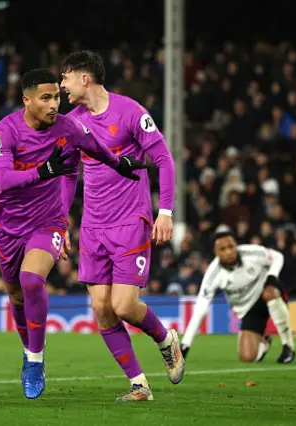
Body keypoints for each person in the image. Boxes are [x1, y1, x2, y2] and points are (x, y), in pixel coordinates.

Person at [0, 68, 146, 399]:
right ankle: (31, 350)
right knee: (17, 296)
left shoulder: (67, 127)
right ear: (26, 100)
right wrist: (43, 171)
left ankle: (35, 360)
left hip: (48, 222)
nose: (53, 104)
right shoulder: (4, 132)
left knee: (32, 280)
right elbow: (2, 181)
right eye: (45, 98)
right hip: (9, 228)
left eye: (56, 97)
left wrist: (121, 164)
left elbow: (97, 147)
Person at [59, 50, 185, 402]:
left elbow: (163, 159)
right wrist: (62, 219)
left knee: (125, 306)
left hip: (131, 220)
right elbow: (69, 174)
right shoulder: (71, 122)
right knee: (101, 308)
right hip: (93, 226)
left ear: (84, 78)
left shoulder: (130, 111)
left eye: (65, 77)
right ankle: (139, 384)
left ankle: (165, 339)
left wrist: (166, 212)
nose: (61, 84)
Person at [181, 232, 296, 364]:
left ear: (236, 245)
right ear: (216, 253)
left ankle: (288, 346)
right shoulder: (213, 275)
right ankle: (263, 341)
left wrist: (272, 277)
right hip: (249, 310)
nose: (229, 252)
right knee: (247, 358)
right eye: (223, 249)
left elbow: (277, 256)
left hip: (268, 290)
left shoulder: (251, 252)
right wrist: (185, 345)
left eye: (231, 246)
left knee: (269, 293)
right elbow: (200, 310)